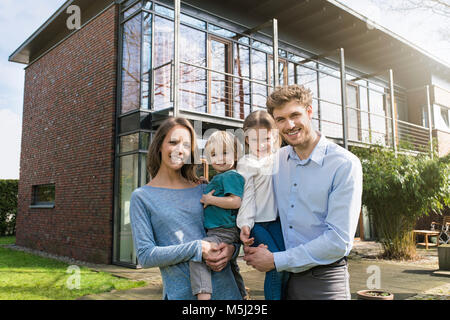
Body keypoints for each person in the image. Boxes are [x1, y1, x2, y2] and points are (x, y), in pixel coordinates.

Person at [243, 84, 363, 300]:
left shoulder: (344, 164)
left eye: (295, 115)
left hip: (324, 282)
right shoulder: (276, 161)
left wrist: (276, 260)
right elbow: (248, 192)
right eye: (280, 119)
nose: (289, 125)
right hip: (283, 281)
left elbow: (338, 240)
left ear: (309, 112)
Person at [129, 117, 242, 300]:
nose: (179, 150)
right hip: (182, 295)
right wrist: (197, 247)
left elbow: (228, 229)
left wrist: (232, 250)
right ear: (159, 146)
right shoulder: (142, 197)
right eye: (173, 142)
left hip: (228, 293)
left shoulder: (205, 189)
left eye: (186, 145)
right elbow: (146, 256)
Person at [236, 110, 288, 300]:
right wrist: (245, 225)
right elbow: (247, 197)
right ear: (247, 139)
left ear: (274, 137)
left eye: (266, 139)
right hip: (257, 223)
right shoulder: (247, 163)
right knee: (274, 266)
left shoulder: (279, 157)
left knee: (286, 267)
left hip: (276, 222)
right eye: (255, 139)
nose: (261, 145)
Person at [190, 130, 247, 300]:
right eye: (214, 154)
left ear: (235, 154)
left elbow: (236, 201)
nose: (220, 158)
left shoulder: (231, 175)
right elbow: (221, 192)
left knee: (199, 253)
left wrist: (210, 199)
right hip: (221, 230)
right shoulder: (221, 177)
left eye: (225, 152)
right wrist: (206, 184)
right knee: (231, 266)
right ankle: (242, 295)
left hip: (224, 230)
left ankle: (203, 296)